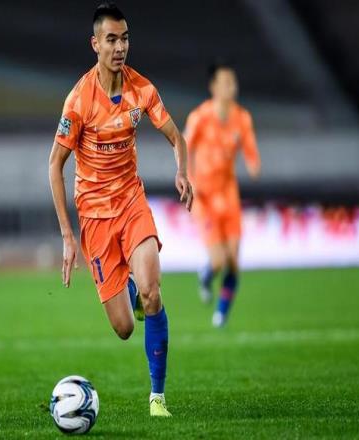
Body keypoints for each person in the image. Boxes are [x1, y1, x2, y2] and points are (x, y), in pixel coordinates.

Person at [48, 2, 192, 417]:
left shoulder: (141, 89)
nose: (120, 47)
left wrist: (182, 171)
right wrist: (67, 235)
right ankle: (128, 291)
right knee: (125, 327)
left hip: (131, 202)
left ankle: (157, 397)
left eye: (125, 38)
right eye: (111, 39)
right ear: (95, 44)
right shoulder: (78, 100)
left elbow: (176, 136)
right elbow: (55, 165)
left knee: (152, 291)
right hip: (95, 217)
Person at [184, 63, 260, 327]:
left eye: (233, 82)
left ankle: (221, 313)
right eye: (226, 82)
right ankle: (206, 276)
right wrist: (188, 179)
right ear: (213, 87)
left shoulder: (242, 118)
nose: (231, 87)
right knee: (218, 260)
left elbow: (250, 149)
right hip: (204, 198)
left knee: (234, 262)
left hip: (228, 195)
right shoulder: (200, 117)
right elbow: (184, 147)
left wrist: (253, 163)